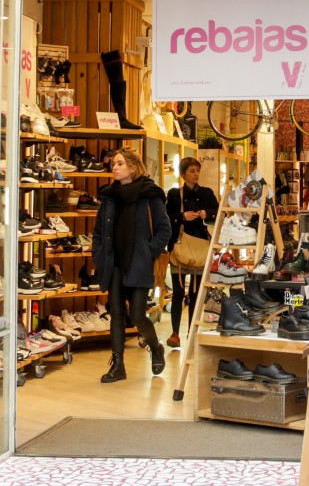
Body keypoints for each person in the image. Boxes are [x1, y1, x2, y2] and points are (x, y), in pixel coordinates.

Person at [93, 148, 171, 382]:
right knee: (117, 314)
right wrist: (98, 253)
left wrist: (148, 252)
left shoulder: (149, 194)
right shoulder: (110, 196)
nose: (114, 168)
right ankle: (118, 365)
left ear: (132, 167)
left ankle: (156, 347)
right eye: (114, 164)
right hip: (114, 262)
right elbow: (98, 230)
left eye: (120, 164)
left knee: (137, 315)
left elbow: (164, 229)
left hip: (138, 262)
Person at [165, 156, 218, 348]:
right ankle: (174, 334)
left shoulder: (207, 193)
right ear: (183, 174)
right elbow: (166, 218)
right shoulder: (174, 194)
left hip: (200, 248)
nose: (196, 174)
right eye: (191, 171)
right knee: (178, 292)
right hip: (179, 248)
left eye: (198, 170)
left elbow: (218, 214)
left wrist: (207, 214)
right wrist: (182, 216)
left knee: (195, 294)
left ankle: (191, 333)